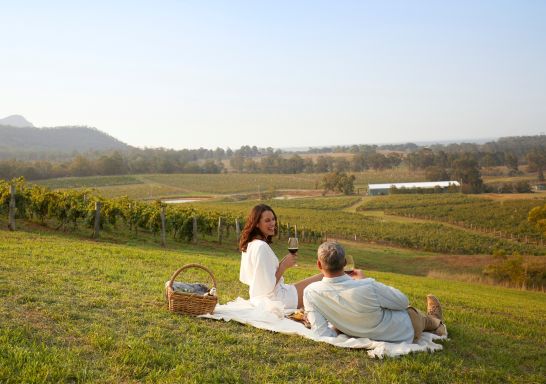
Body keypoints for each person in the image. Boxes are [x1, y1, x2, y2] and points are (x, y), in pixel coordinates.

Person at [303, 242, 446, 343]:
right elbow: (402, 302)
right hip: (404, 332)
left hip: (365, 330)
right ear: (345, 262)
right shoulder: (368, 285)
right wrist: (364, 280)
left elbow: (321, 333)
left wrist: (342, 326)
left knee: (391, 309)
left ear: (319, 264)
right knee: (414, 314)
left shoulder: (310, 292)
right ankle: (436, 321)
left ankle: (433, 321)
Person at [239, 204, 322, 309]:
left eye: (273, 219)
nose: (272, 223)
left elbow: (254, 277)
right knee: (326, 277)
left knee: (322, 278)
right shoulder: (261, 247)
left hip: (260, 298)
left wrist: (281, 263)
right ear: (257, 224)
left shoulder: (250, 245)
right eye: (267, 220)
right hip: (277, 300)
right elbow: (268, 286)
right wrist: (283, 266)